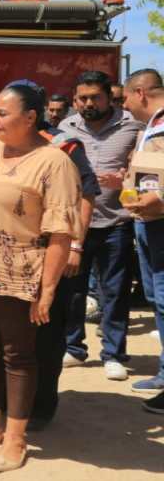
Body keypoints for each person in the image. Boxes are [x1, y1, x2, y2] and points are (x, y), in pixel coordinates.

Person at [0, 83, 80, 472]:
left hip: (21, 274)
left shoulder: (54, 162)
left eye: (3, 114)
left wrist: (48, 289)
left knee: (18, 356)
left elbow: (60, 232)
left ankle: (15, 437)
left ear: (30, 117)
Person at [59, 70, 143, 381]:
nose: (88, 103)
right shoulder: (66, 128)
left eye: (95, 97)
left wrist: (125, 178)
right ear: (75, 100)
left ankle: (113, 354)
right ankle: (73, 348)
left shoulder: (133, 126)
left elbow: (145, 168)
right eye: (82, 98)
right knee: (73, 291)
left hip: (116, 222)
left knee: (114, 292)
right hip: (75, 225)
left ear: (109, 97)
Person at [120, 68, 164, 413]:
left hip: (160, 222)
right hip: (148, 224)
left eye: (125, 99)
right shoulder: (151, 126)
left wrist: (159, 199)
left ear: (140, 93)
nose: (124, 106)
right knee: (157, 301)